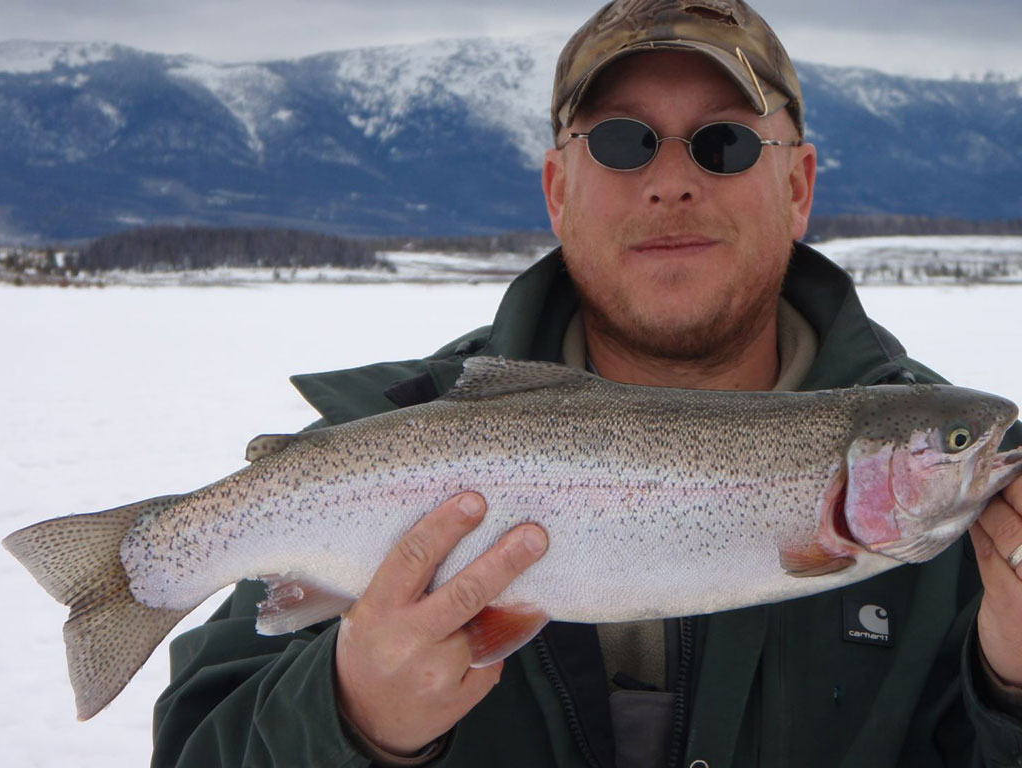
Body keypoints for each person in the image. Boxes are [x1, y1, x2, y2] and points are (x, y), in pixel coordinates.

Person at [152, 1, 1022, 765]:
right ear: (557, 189)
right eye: (621, 142)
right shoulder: (390, 444)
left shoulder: (980, 532)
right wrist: (351, 721)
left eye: (724, 142)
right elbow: (196, 749)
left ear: (796, 186)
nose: (673, 183)